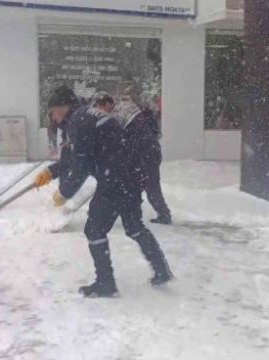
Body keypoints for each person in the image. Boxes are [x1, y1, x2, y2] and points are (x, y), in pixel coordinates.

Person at [33, 85, 173, 298]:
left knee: (94, 230)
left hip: (114, 179)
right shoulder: (86, 116)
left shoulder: (78, 123)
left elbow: (80, 166)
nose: (52, 118)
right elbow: (75, 156)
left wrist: (64, 193)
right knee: (134, 226)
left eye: (52, 112)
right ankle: (161, 269)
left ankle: (106, 283)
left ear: (62, 108)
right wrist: (50, 172)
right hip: (130, 175)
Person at [108, 94, 172, 225]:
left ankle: (161, 214)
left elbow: (118, 135)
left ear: (107, 104)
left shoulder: (119, 113)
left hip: (144, 154)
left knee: (143, 186)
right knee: (148, 185)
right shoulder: (130, 110)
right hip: (150, 151)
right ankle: (162, 213)